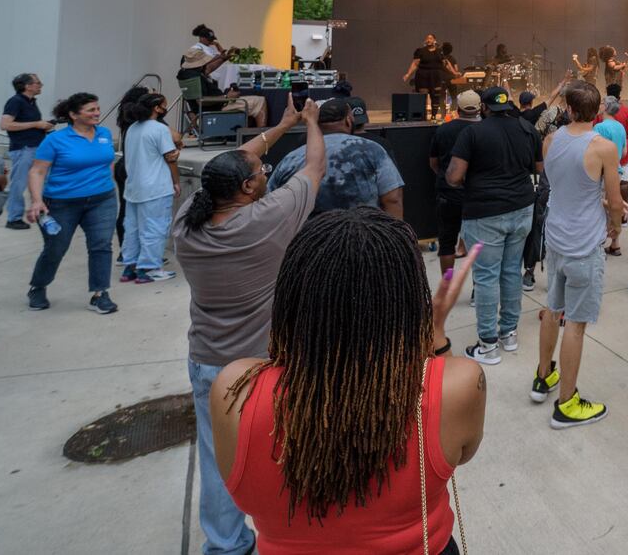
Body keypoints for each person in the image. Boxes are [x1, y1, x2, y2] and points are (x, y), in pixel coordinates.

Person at [212, 208, 484, 555]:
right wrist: (435, 338)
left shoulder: (235, 392)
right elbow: (462, 453)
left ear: (293, 295)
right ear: (408, 300)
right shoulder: (459, 385)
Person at [173, 99, 321, 555]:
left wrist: (282, 125)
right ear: (247, 187)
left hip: (208, 363)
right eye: (260, 173)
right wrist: (311, 123)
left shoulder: (186, 225)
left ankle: (226, 545)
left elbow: (239, 162)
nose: (265, 174)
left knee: (218, 462)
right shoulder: (268, 219)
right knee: (286, 452)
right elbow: (315, 165)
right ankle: (290, 536)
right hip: (264, 365)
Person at [531, 82, 626, 428]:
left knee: (552, 310)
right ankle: (567, 403)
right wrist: (614, 225)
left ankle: (544, 377)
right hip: (584, 245)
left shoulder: (551, 140)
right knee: (576, 323)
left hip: (555, 239)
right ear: (597, 112)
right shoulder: (603, 147)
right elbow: (615, 199)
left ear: (569, 109)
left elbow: (563, 183)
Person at [446, 86, 541, 365]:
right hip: (522, 208)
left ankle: (487, 345)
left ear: (484, 108)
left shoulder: (472, 133)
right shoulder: (526, 129)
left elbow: (454, 177)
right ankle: (508, 334)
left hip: (484, 211)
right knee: (511, 270)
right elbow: (539, 168)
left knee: (486, 276)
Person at [25, 92, 119, 315]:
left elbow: (109, 163)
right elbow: (37, 171)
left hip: (102, 200)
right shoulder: (55, 140)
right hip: (62, 203)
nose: (97, 113)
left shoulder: (104, 134)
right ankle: (38, 286)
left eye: (97, 109)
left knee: (101, 245)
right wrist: (36, 201)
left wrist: (109, 185)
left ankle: (100, 293)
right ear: (73, 115)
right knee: (56, 248)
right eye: (91, 110)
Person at [266, 98, 404, 219]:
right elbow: (392, 199)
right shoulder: (374, 150)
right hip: (365, 239)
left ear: (317, 124)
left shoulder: (292, 158)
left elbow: (271, 202)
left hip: (310, 242)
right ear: (349, 121)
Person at [119, 92, 180, 284]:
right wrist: (176, 182)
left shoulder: (132, 129)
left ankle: (130, 267)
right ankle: (149, 269)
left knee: (133, 228)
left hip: (133, 187)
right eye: (164, 105)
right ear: (156, 108)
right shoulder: (159, 129)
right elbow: (170, 158)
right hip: (156, 187)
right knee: (155, 227)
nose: (166, 108)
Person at [430, 91, 481, 282]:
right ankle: (478, 288)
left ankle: (447, 285)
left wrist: (447, 177)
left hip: (447, 193)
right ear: (479, 108)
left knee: (446, 243)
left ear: (457, 109)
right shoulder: (484, 130)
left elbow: (433, 163)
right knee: (479, 244)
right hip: (476, 194)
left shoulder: (443, 129)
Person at [179, 25, 268, 126]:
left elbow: (210, 69)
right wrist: (226, 96)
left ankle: (248, 135)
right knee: (259, 101)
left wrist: (225, 57)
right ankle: (263, 137)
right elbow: (201, 101)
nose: (206, 64)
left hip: (215, 105)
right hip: (216, 107)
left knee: (248, 104)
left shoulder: (188, 73)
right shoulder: (196, 76)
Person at [1, 73, 51, 229]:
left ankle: (39, 212)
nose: (41, 85)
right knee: (19, 183)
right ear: (27, 86)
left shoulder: (31, 102)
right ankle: (13, 218)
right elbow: (5, 125)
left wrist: (44, 126)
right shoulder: (15, 101)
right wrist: (37, 124)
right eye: (38, 82)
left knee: (40, 182)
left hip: (36, 147)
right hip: (23, 149)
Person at [404, 33, 450, 121]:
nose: (429, 40)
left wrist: (454, 72)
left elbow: (446, 64)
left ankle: (433, 116)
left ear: (435, 40)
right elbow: (415, 63)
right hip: (423, 76)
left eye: (431, 38)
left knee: (435, 96)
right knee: (422, 96)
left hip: (436, 77)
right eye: (427, 38)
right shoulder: (420, 51)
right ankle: (422, 116)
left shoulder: (440, 51)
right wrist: (408, 74)